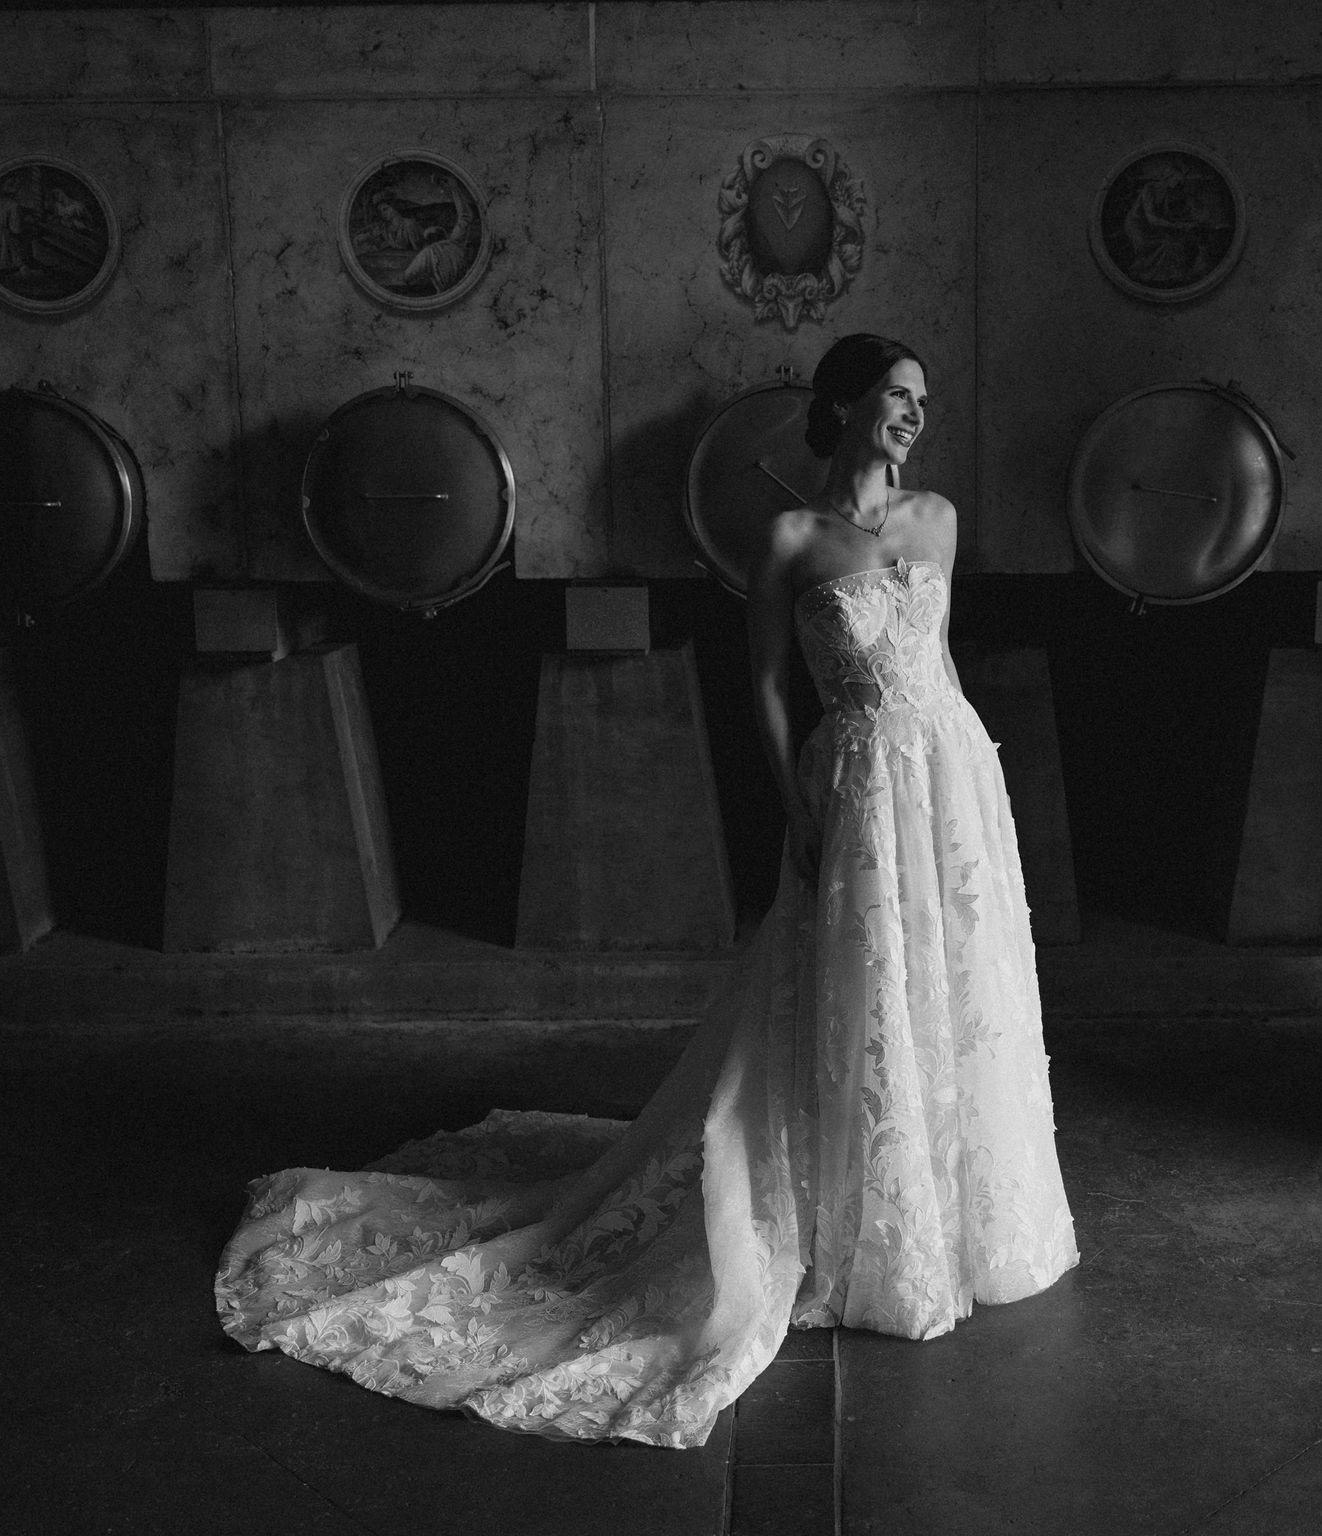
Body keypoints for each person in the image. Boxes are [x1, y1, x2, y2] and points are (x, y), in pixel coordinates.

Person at [214, 333, 1079, 1448]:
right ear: (842, 404)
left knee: (953, 985)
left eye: (924, 398)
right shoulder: (789, 538)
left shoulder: (938, 521)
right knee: (855, 992)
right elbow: (767, 686)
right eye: (896, 395)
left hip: (946, 773)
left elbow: (940, 661)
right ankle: (851, 1216)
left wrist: (973, 781)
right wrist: (798, 801)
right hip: (853, 777)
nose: (916, 414)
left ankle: (953, 1219)